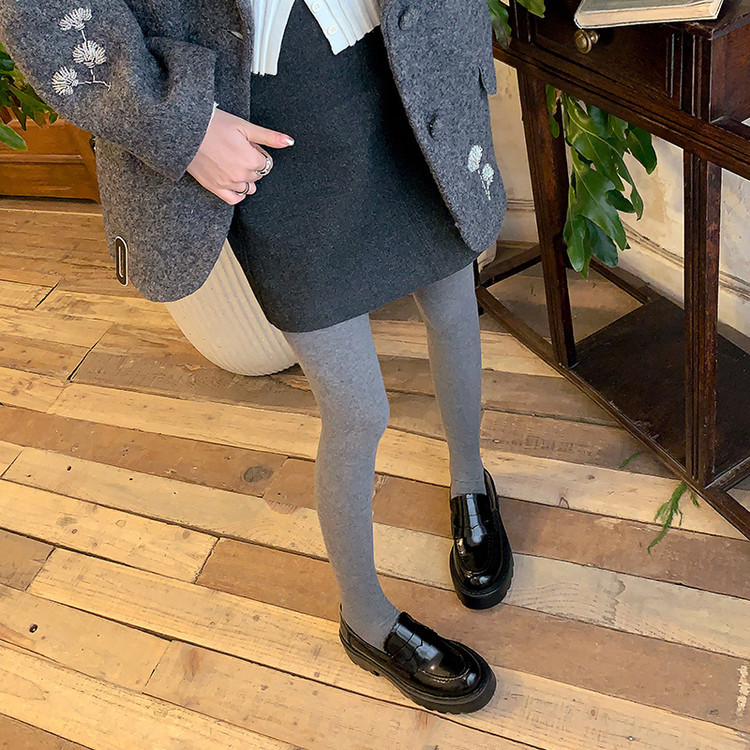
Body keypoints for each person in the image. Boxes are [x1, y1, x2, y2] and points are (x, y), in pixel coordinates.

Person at [1, 0, 513, 714]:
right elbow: (43, 13)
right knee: (358, 411)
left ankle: (469, 485)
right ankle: (366, 619)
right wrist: (180, 125)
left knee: (455, 307)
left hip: (407, 80)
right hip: (263, 136)